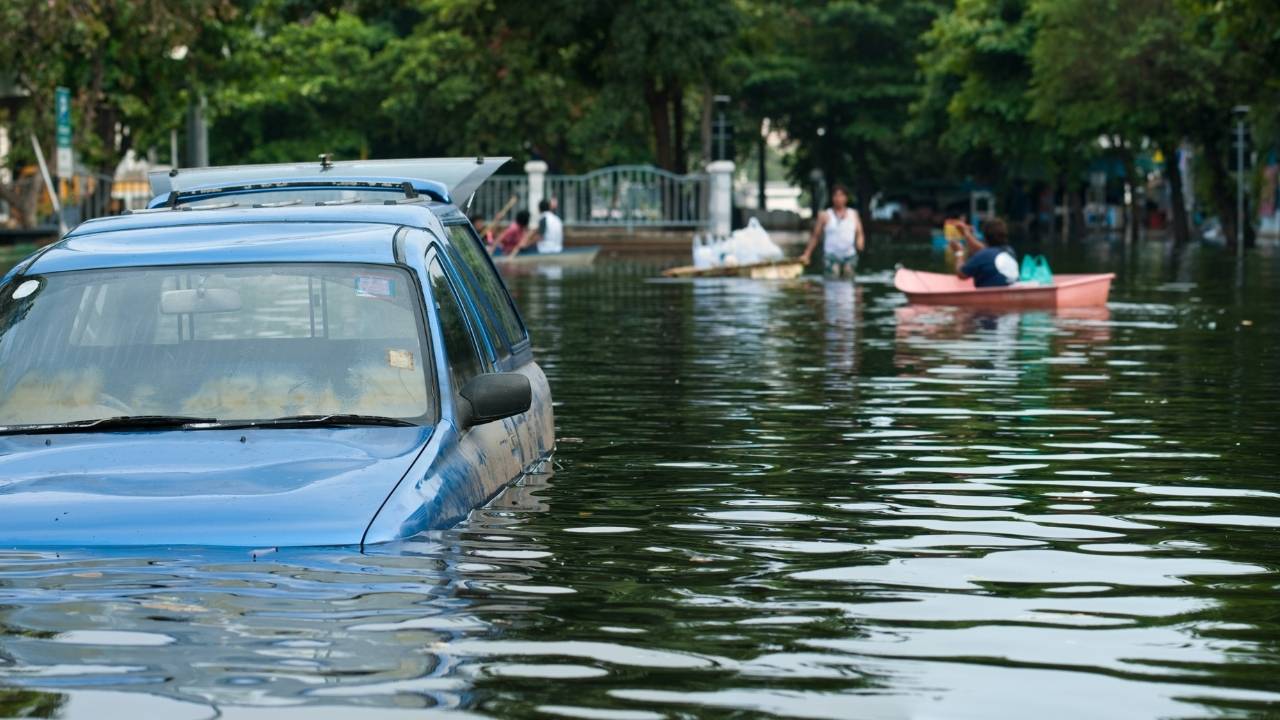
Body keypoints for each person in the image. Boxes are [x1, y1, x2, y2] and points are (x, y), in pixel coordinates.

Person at [800, 184, 865, 277]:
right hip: (831, 255)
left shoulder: (853, 214)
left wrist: (860, 242)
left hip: (849, 254)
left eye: (841, 195)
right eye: (836, 195)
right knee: (833, 275)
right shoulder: (825, 215)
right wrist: (807, 254)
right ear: (832, 198)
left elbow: (860, 233)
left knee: (849, 275)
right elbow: (815, 236)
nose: (838, 199)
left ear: (846, 198)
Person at [950, 216, 1019, 287]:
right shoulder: (1010, 251)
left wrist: (959, 252)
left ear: (985, 237)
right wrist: (968, 235)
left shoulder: (984, 255)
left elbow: (961, 274)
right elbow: (985, 250)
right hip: (1011, 293)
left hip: (991, 296)